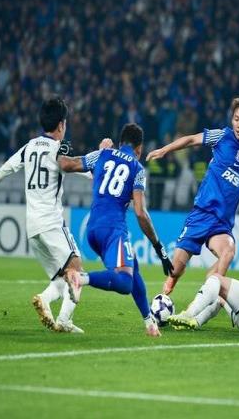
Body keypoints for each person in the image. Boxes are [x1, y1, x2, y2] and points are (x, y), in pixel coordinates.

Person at [0, 96, 95, 333]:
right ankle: (63, 320)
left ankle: (48, 303)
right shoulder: (58, 149)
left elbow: (5, 168)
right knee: (77, 271)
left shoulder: (30, 147)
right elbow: (77, 169)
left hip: (32, 227)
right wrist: (97, 171)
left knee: (61, 278)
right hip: (51, 223)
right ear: (61, 124)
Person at [145, 96, 239, 295]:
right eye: (236, 119)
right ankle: (170, 286)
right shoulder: (222, 136)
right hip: (201, 214)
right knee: (175, 270)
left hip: (221, 223)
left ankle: (209, 291)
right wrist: (165, 149)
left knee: (228, 251)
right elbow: (191, 139)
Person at [60, 123, 173, 337]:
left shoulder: (102, 154)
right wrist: (159, 248)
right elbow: (140, 213)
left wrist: (59, 147)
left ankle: (149, 322)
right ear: (139, 149)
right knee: (124, 282)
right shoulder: (138, 170)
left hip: (92, 230)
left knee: (133, 268)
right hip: (113, 231)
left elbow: (67, 164)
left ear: (121, 143)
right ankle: (80, 279)